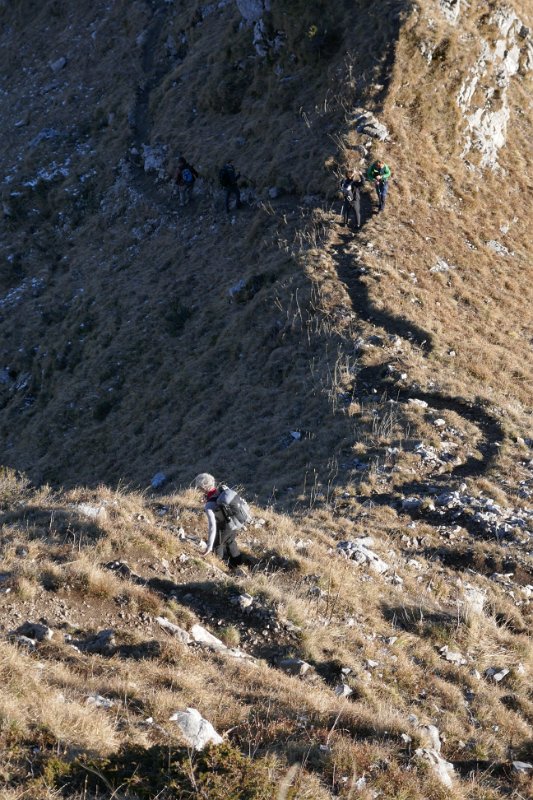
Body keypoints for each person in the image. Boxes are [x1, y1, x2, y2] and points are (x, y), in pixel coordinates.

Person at [194, 473, 246, 566]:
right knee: (230, 542)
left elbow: (212, 527)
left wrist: (209, 546)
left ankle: (219, 565)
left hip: (223, 527)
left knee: (217, 545)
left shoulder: (209, 505)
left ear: (203, 488)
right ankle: (238, 564)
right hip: (233, 522)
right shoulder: (223, 491)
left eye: (199, 487)